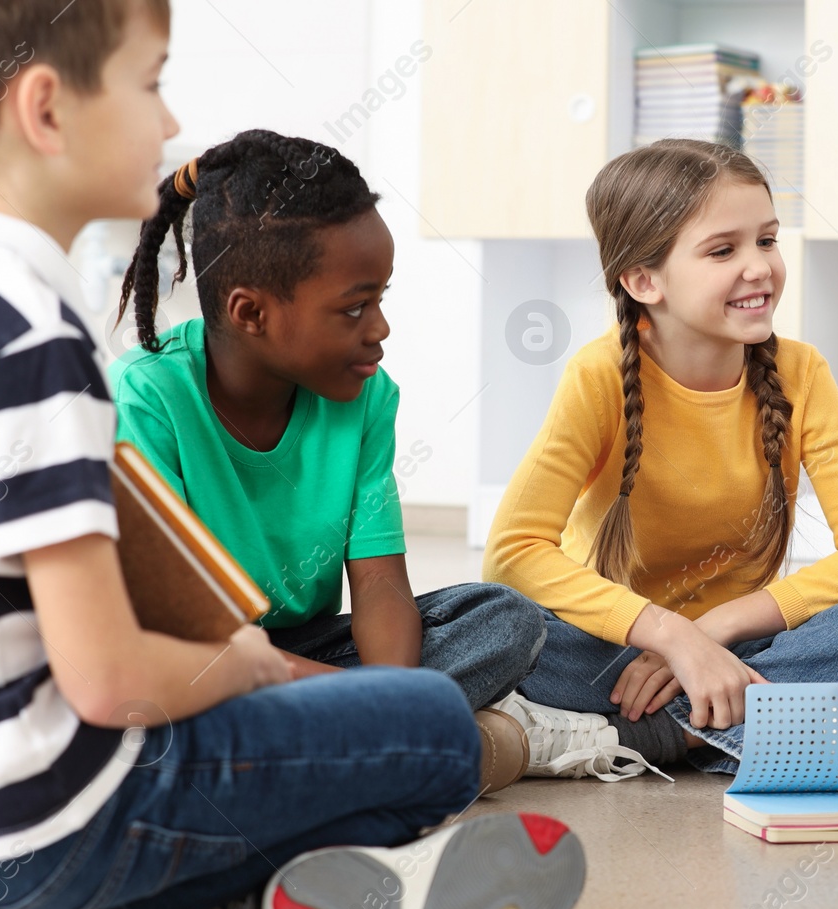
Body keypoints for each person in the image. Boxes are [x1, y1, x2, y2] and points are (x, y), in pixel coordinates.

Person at [0, 0, 583, 909]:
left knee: (469, 639)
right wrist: (248, 666)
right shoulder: (39, 335)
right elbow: (110, 677)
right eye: (150, 82)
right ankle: (204, 893)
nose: (166, 126)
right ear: (45, 110)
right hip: (53, 814)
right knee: (440, 732)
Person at [112, 128, 545, 794]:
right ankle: (413, 748)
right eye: (354, 307)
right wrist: (380, 706)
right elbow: (178, 632)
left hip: (309, 657)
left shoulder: (365, 398)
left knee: (506, 620)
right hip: (202, 660)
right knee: (154, 709)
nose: (379, 329)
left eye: (381, 299)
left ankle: (355, 746)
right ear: (250, 312)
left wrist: (387, 698)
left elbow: (379, 586)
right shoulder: (148, 399)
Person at [483, 138, 838, 777]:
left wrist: (711, 632)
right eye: (724, 250)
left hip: (744, 645)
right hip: (610, 651)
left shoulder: (801, 372)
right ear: (643, 280)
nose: (760, 267)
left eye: (767, 241)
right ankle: (737, 728)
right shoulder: (598, 375)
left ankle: (632, 737)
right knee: (491, 623)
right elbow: (514, 553)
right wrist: (669, 635)